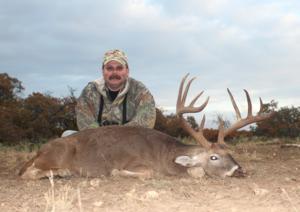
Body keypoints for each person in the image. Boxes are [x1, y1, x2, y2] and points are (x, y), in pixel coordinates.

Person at [65, 49, 156, 136]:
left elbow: (146, 121)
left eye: (119, 68)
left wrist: (115, 136)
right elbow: (84, 121)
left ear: (127, 71)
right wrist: (106, 138)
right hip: (96, 141)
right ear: (103, 71)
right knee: (67, 135)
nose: (114, 72)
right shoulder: (89, 91)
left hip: (129, 143)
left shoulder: (140, 90)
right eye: (109, 68)